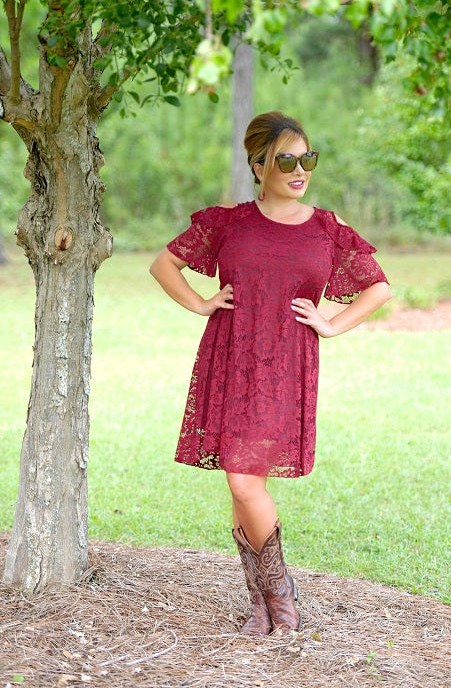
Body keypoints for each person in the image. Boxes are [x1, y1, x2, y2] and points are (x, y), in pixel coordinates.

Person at [150, 111, 391, 636]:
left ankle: (281, 595)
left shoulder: (329, 228)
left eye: (308, 158)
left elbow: (378, 288)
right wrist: (201, 302)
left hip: (287, 365)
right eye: (287, 159)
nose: (300, 169)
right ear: (259, 166)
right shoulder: (228, 223)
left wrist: (330, 324)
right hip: (231, 357)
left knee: (244, 479)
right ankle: (265, 603)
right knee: (241, 486)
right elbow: (163, 265)